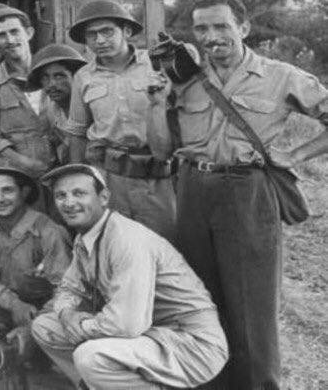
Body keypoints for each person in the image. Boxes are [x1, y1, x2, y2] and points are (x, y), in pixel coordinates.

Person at [146, 0, 328, 389]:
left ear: (243, 28)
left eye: (221, 26)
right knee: (200, 298)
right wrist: (157, 105)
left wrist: (296, 155)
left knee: (253, 305)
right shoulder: (184, 78)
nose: (211, 36)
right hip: (193, 190)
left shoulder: (280, 75)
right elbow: (161, 150)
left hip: (248, 190)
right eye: (201, 29)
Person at [31, 163, 228, 389]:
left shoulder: (126, 240)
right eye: (61, 196)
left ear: (104, 197)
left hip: (190, 342)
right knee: (45, 326)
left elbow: (126, 325)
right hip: (149, 334)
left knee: (91, 357)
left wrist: (82, 324)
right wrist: (67, 315)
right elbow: (69, 288)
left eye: (79, 193)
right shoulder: (86, 237)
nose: (69, 203)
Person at [63, 0, 177, 241]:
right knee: (116, 246)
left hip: (157, 180)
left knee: (163, 247)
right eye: (92, 35)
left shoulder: (156, 65)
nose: (99, 40)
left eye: (107, 31)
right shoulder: (83, 77)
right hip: (110, 179)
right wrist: (78, 182)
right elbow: (77, 133)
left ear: (126, 31)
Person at [0, 159, 71, 350]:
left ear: (24, 192)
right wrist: (15, 305)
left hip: (44, 308)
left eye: (8, 190)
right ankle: (0, 357)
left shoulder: (49, 230)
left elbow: (66, 290)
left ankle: (35, 349)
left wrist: (37, 322)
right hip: (2, 304)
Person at [0, 2, 58, 180]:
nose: (10, 40)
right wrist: (26, 163)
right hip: (18, 174)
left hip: (62, 167)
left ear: (29, 33)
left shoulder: (53, 74)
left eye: (14, 31)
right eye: (1, 35)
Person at [26, 43, 88, 163]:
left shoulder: (91, 106)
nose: (51, 84)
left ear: (76, 77)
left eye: (59, 76)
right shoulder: (50, 109)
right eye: (45, 78)